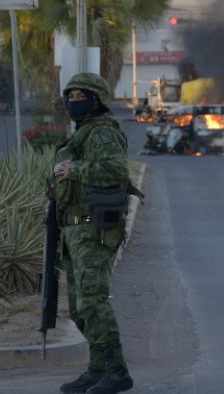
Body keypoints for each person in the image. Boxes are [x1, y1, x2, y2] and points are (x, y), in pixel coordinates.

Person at [50, 72, 133, 394]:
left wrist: (75, 169)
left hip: (94, 229)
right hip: (75, 230)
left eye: (80, 96)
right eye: (69, 97)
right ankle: (98, 368)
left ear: (96, 99)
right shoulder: (82, 133)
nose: (74, 101)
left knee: (93, 302)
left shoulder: (100, 132)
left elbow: (116, 169)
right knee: (79, 308)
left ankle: (116, 371)